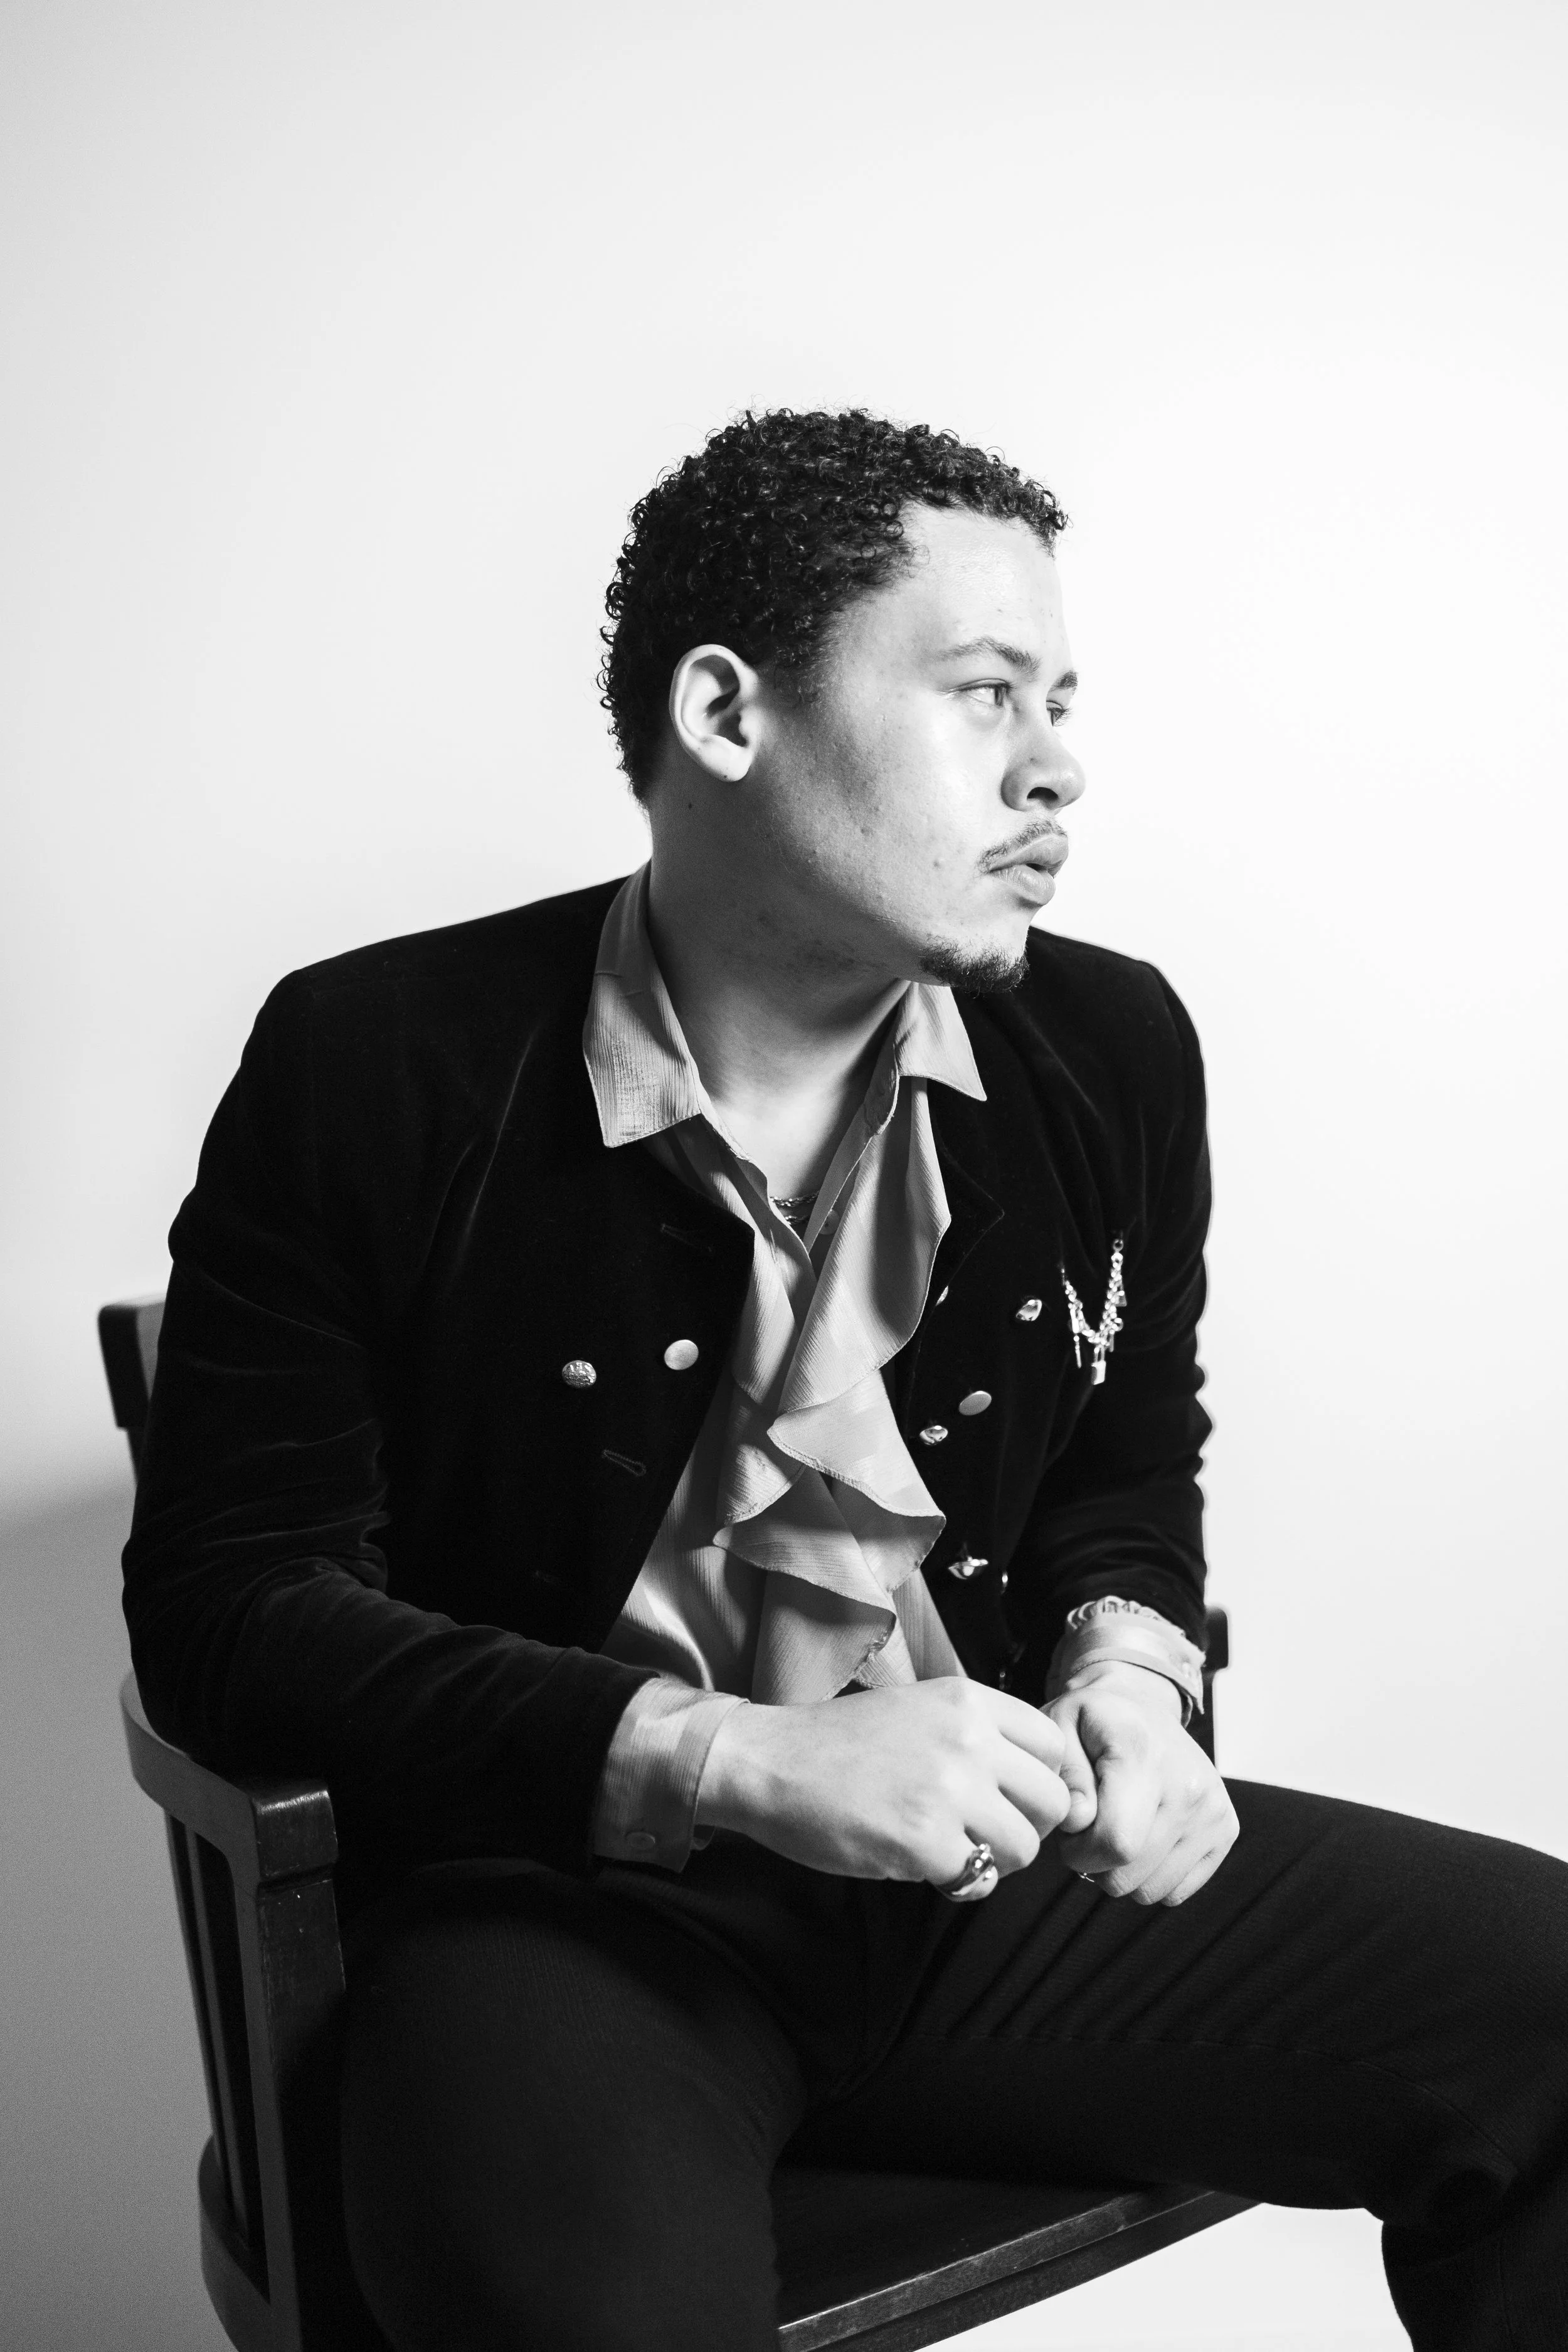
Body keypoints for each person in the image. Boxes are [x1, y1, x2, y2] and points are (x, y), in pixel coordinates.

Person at [123, 409, 1568, 2351]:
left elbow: (1127, 1454)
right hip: (552, 1918)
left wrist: (1131, 1678)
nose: (1055, 765)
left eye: (1060, 700)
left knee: (1548, 2003)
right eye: (982, 693)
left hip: (979, 1886)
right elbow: (231, 1612)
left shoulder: (1109, 1048)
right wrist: (733, 1757)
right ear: (727, 713)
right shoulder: (371, 1061)